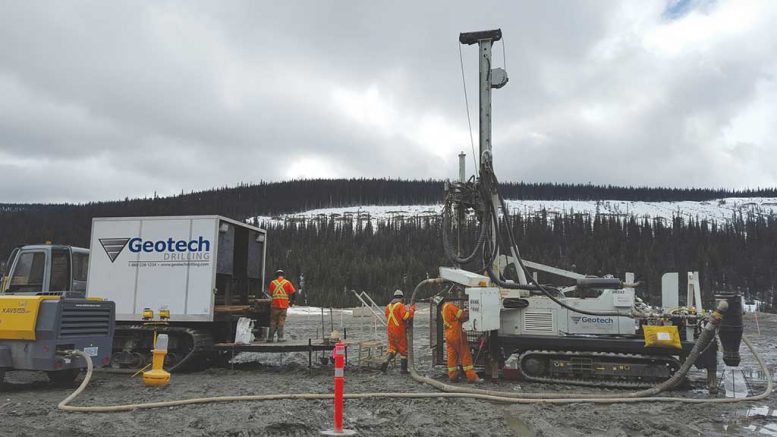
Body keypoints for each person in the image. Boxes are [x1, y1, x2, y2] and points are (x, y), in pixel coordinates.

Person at [442, 300, 482, 383]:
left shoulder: (444, 307)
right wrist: (471, 311)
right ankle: (472, 377)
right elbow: (462, 316)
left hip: (449, 335)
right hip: (457, 334)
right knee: (465, 355)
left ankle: (453, 376)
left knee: (451, 356)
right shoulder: (450, 306)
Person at [380, 289, 416, 374]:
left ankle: (386, 360)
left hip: (390, 331)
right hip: (399, 331)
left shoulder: (388, 306)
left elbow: (389, 316)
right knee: (403, 350)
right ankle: (403, 369)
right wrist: (412, 309)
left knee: (392, 348)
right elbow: (406, 316)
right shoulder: (400, 306)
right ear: (402, 297)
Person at [267, 269, 296, 343]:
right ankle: (280, 338)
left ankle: (270, 338)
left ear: (276, 276)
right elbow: (293, 292)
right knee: (281, 321)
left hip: (274, 305)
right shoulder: (287, 282)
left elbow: (270, 293)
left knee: (273, 321)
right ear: (283, 275)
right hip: (283, 306)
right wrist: (292, 302)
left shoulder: (272, 283)